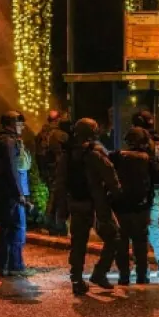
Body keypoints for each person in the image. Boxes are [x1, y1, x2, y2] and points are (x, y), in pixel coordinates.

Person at [54, 117, 122, 295]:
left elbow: (59, 184)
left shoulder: (67, 156)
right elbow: (111, 177)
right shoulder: (96, 153)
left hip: (76, 204)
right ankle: (99, 273)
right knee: (114, 237)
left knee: (78, 243)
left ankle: (76, 280)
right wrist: (118, 197)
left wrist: (60, 210)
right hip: (97, 205)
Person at [109, 127, 159, 285]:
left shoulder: (116, 156)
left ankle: (124, 276)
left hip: (120, 207)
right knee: (140, 242)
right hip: (141, 206)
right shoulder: (148, 160)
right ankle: (142, 275)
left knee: (122, 242)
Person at [0, 111, 35, 278]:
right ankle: (16, 266)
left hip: (5, 192)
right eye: (19, 123)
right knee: (17, 229)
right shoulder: (8, 142)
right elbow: (11, 169)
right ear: (11, 124)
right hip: (12, 194)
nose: (22, 127)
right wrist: (19, 193)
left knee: (6, 230)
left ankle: (4, 266)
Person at [132, 110, 159, 277]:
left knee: (136, 228)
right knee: (154, 226)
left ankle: (141, 267)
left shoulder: (138, 143)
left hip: (139, 190)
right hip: (156, 190)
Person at [35, 110, 71, 235]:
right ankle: (57, 225)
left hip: (46, 171)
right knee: (59, 198)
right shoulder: (60, 135)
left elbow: (38, 154)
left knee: (53, 196)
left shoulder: (41, 134)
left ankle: (49, 224)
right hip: (57, 170)